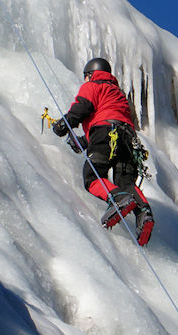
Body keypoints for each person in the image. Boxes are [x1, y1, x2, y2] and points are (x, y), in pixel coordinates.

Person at [53, 57, 154, 246]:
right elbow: (111, 116)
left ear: (90, 74)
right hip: (128, 140)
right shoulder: (117, 93)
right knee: (125, 182)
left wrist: (63, 125)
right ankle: (144, 213)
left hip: (105, 133)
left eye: (85, 77)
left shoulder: (93, 85)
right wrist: (84, 142)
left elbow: (83, 108)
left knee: (92, 177)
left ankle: (118, 199)